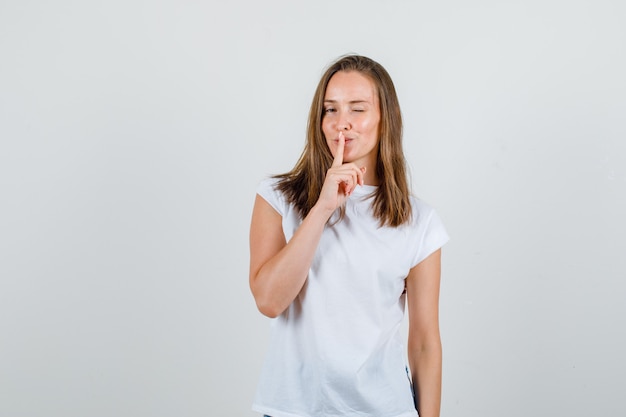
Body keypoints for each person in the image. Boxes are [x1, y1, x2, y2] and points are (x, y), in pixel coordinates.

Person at [249, 54, 449, 417]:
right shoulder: (276, 198)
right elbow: (269, 300)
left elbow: (423, 344)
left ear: (385, 119)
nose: (342, 124)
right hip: (292, 409)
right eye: (331, 110)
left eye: (357, 109)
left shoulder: (419, 222)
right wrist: (323, 208)